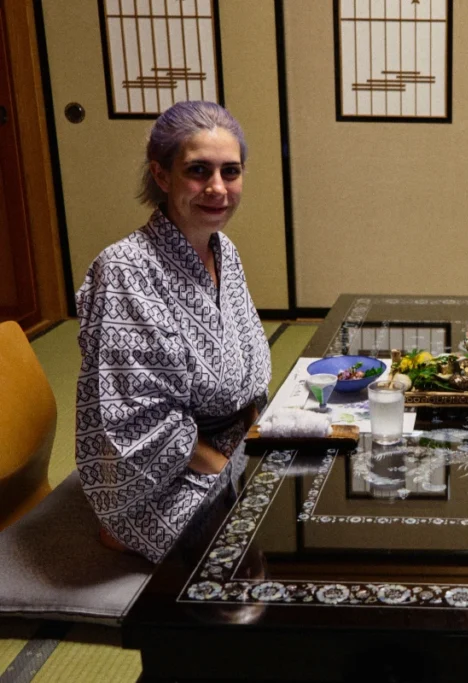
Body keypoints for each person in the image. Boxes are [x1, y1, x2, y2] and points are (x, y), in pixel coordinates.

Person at [75, 101, 271, 563]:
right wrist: (233, 475)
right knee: (261, 546)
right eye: (198, 171)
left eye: (230, 171)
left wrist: (257, 449)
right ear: (161, 176)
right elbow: (142, 421)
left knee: (311, 489)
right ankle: (121, 528)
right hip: (156, 477)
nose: (217, 188)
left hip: (227, 441)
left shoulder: (224, 250)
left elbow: (246, 366)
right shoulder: (124, 270)